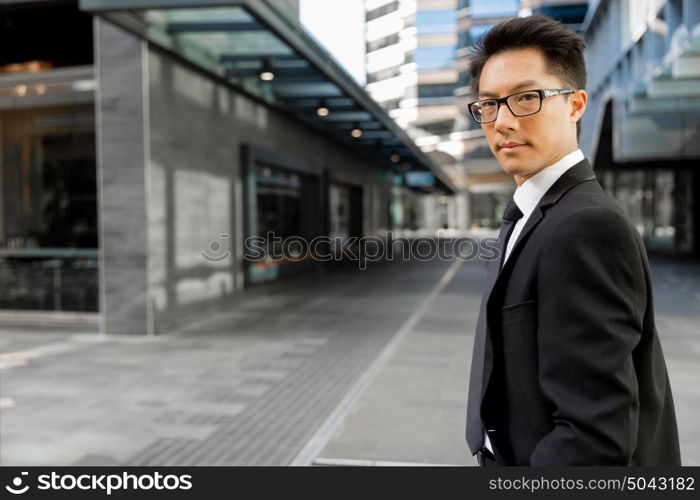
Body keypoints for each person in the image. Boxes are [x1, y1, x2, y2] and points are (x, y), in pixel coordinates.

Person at [464, 15, 681, 466]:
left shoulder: (586, 226)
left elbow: (594, 437)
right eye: (489, 104)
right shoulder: (534, 212)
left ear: (576, 105)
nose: (501, 122)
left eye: (526, 98)